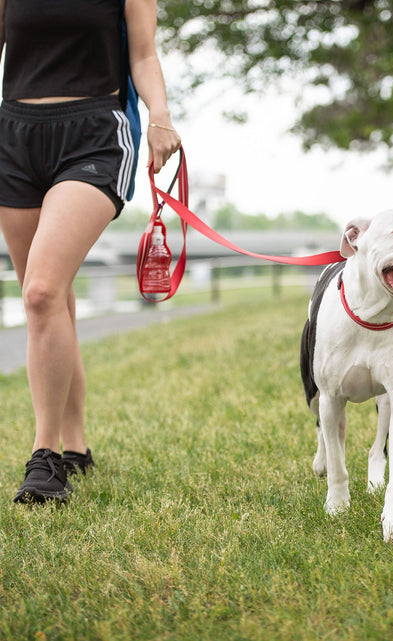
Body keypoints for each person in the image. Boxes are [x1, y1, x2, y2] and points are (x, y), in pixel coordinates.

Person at [0, 0, 181, 503]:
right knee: (50, 298)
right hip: (13, 136)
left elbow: (143, 56)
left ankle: (45, 458)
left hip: (95, 134)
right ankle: (76, 446)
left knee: (40, 293)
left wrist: (160, 114)